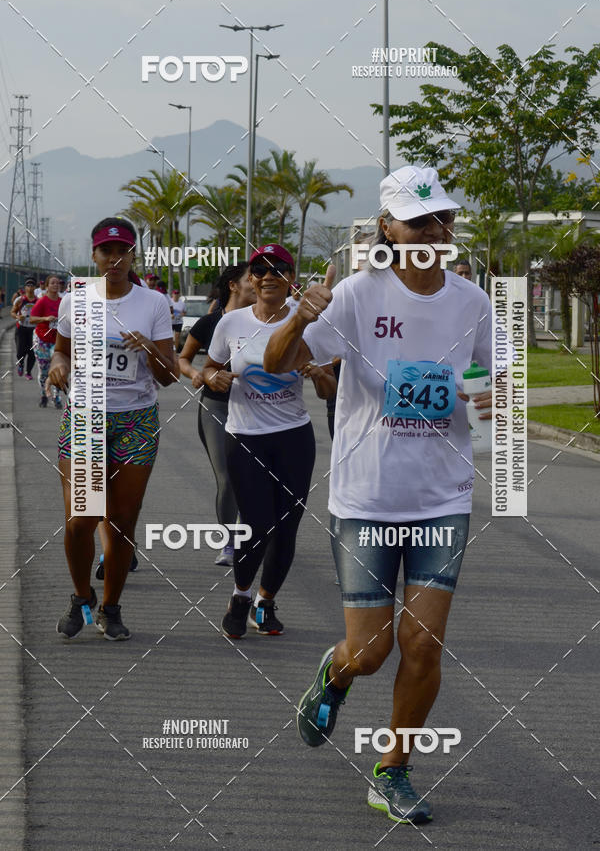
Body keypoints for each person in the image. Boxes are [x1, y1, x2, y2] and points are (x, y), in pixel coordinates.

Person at [264, 167, 493, 824]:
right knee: (370, 651)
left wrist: (482, 400)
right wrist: (300, 317)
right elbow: (280, 363)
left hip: (442, 498)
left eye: (443, 219)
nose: (433, 231)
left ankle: (392, 771)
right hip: (366, 499)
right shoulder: (359, 295)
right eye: (418, 221)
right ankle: (333, 675)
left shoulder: (472, 303)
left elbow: (491, 391)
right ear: (388, 228)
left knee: (422, 645)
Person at [48, 217, 178, 641]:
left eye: (123, 251)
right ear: (94, 255)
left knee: (121, 522)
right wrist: (58, 366)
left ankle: (111, 607)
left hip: (135, 419)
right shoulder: (77, 300)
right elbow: (60, 352)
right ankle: (81, 596)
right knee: (82, 520)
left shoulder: (154, 303)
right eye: (107, 251)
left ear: (133, 256)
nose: (115, 260)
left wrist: (149, 351)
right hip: (86, 417)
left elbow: (167, 377)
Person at [203, 244, 336, 637]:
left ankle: (265, 601)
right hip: (245, 438)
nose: (267, 277)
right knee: (256, 525)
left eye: (277, 269)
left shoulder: (308, 321)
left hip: (293, 437)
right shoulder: (231, 322)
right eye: (258, 270)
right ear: (249, 279)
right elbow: (209, 367)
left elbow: (329, 391)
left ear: (290, 278)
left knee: (287, 526)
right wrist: (213, 378)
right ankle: (240, 594)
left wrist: (317, 373)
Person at [179, 263, 255, 565]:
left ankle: (254, 534)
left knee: (254, 477)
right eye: (251, 278)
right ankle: (229, 542)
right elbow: (182, 359)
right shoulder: (209, 323)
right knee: (227, 476)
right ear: (233, 285)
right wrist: (197, 374)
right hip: (216, 407)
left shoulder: (265, 320)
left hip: (256, 409)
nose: (258, 282)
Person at [30, 274, 62, 408]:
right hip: (41, 339)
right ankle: (44, 394)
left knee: (58, 369)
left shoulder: (63, 301)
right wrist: (45, 319)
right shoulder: (42, 301)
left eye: (57, 283)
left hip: (57, 340)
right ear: (47, 286)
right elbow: (32, 319)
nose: (55, 285)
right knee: (44, 370)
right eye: (52, 283)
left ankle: (56, 396)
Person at [11, 277, 37, 379]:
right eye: (28, 285)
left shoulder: (38, 300)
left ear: (35, 287)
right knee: (20, 351)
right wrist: (17, 317)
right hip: (21, 329)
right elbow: (12, 312)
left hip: (33, 330)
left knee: (32, 352)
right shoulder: (20, 300)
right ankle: (21, 364)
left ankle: (28, 372)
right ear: (25, 288)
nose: (30, 287)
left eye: (32, 285)